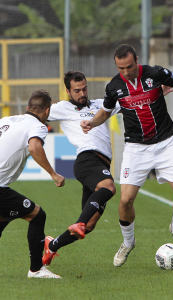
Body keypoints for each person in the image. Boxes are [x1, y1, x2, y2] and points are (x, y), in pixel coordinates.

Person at [81, 44, 173, 267]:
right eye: (121, 68)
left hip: (166, 143)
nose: (126, 71)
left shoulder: (155, 74)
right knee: (125, 200)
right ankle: (128, 242)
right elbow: (106, 112)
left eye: (129, 66)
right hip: (136, 148)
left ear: (136, 60)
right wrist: (91, 123)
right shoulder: (114, 87)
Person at [42, 71, 120, 266]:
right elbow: (36, 111)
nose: (82, 93)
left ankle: (52, 245)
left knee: (88, 225)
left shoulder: (100, 105)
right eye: (77, 90)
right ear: (68, 91)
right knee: (109, 187)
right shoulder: (63, 107)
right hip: (87, 159)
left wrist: (161, 89)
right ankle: (77, 224)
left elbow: (129, 99)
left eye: (84, 88)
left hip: (102, 163)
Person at [0, 90, 65, 279]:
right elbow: (35, 146)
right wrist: (53, 174)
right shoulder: (38, 126)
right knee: (37, 215)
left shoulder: (7, 120)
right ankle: (36, 270)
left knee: (4, 217)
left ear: (28, 107)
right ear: (47, 111)